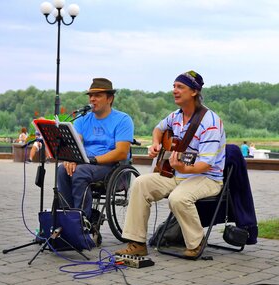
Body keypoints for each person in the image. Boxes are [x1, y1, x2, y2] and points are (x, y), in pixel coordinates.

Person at [115, 70, 226, 258]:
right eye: (174, 86)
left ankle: (196, 243)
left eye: (180, 87)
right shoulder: (175, 116)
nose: (175, 90)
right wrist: (156, 143)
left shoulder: (211, 122)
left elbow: (205, 165)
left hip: (206, 177)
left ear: (194, 92)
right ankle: (137, 242)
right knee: (141, 183)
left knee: (178, 197)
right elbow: (158, 129)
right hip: (178, 174)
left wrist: (182, 167)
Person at [57, 78, 134, 220]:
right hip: (85, 163)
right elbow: (75, 142)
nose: (92, 99)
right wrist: (71, 159)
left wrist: (92, 160)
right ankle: (66, 217)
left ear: (110, 98)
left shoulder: (123, 120)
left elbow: (122, 152)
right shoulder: (82, 120)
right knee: (62, 169)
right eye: (91, 96)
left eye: (98, 95)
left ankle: (82, 221)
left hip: (110, 166)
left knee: (80, 172)